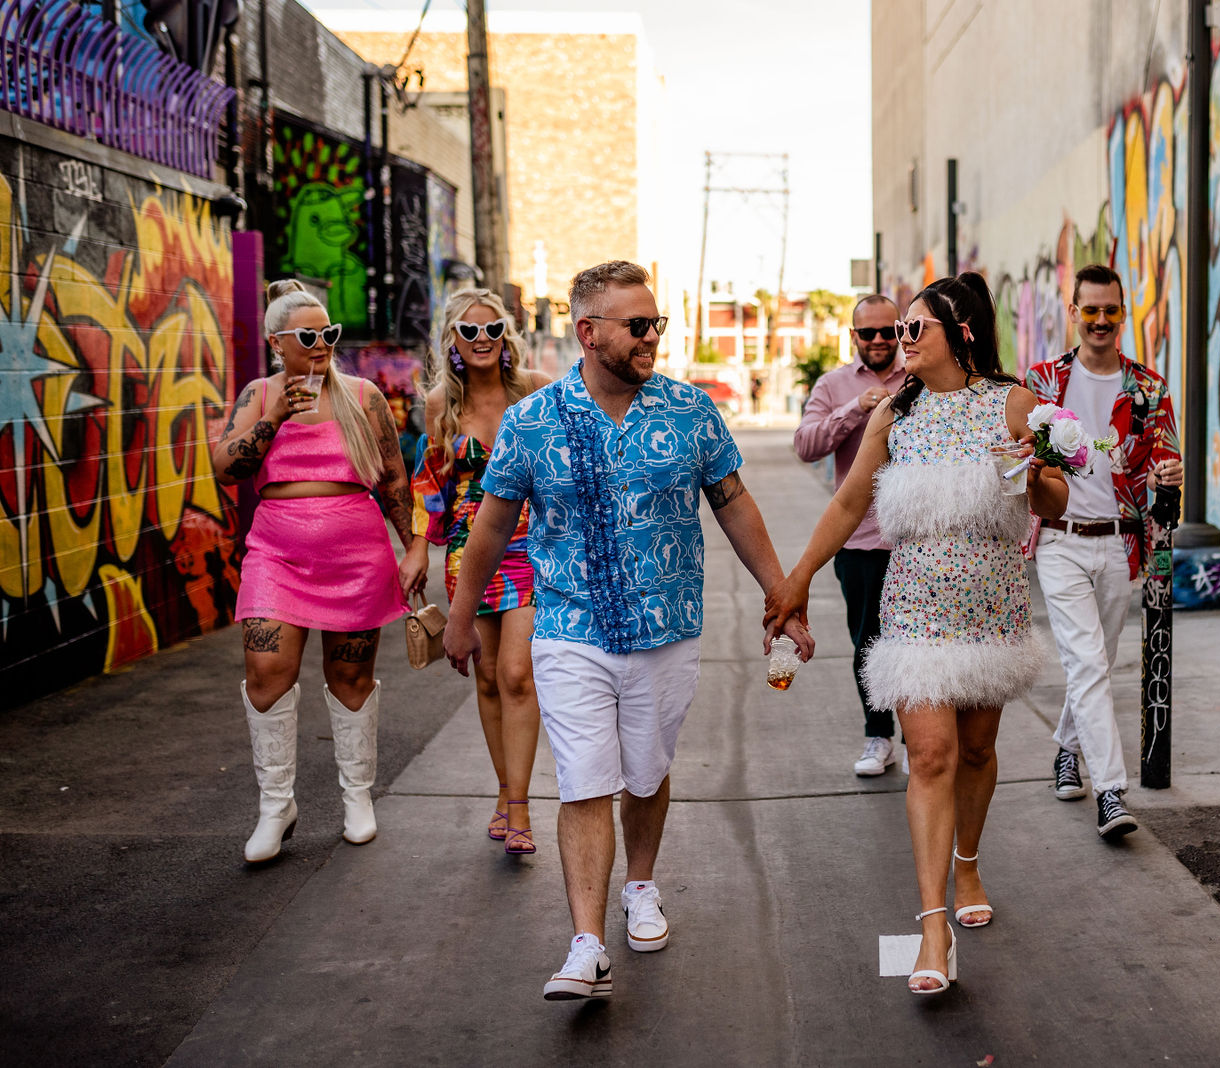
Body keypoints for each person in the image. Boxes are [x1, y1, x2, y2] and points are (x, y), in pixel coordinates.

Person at [440, 260, 814, 1002]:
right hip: (569, 625)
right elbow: (490, 525)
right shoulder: (533, 421)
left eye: (656, 324)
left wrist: (782, 592)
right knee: (584, 779)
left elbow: (734, 504)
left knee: (645, 772)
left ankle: (640, 885)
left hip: (667, 629)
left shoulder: (690, 411)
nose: (652, 338)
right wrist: (460, 616)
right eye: (637, 326)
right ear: (589, 332)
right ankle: (586, 944)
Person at [764, 273, 1071, 996]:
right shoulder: (893, 414)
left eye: (913, 329)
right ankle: (933, 926)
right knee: (930, 755)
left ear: (960, 332)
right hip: (914, 610)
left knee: (976, 749)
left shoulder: (1014, 403)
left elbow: (1056, 502)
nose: (899, 341)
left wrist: (1033, 474)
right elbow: (847, 503)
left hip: (991, 608)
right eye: (897, 330)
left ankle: (968, 862)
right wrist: (799, 576)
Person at [214, 279, 424, 863]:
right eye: (309, 335)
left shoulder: (362, 395)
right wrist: (275, 416)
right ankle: (275, 806)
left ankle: (357, 797)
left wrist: (413, 548)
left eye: (329, 333)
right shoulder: (259, 394)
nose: (323, 343)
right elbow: (226, 468)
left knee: (350, 677)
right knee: (265, 671)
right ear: (277, 342)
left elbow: (393, 478)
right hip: (275, 554)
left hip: (356, 555)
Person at [1023, 263, 1183, 840]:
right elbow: (1020, 460)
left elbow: (1164, 462)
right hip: (1061, 542)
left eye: (1110, 310)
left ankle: (1067, 747)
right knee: (1088, 663)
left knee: (1097, 661)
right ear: (1073, 312)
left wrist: (1170, 473)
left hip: (1120, 544)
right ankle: (1112, 793)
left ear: (1123, 313)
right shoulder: (1042, 383)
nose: (1099, 320)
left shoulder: (1149, 388)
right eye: (1089, 309)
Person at [402, 289, 553, 854]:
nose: (483, 340)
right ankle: (506, 790)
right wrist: (419, 546)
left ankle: (520, 809)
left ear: (506, 335)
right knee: (488, 678)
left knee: (517, 672)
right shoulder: (441, 402)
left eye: (492, 330)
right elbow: (430, 481)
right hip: (470, 552)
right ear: (453, 342)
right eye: (470, 332)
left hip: (530, 547)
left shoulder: (535, 389)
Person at [792, 294, 908, 776]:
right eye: (869, 333)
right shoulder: (833, 384)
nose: (879, 341)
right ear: (853, 337)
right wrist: (855, 410)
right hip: (859, 541)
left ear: (901, 333)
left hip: (916, 540)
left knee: (920, 644)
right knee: (869, 643)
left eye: (888, 332)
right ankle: (879, 737)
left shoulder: (922, 378)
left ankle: (921, 741)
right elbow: (806, 445)